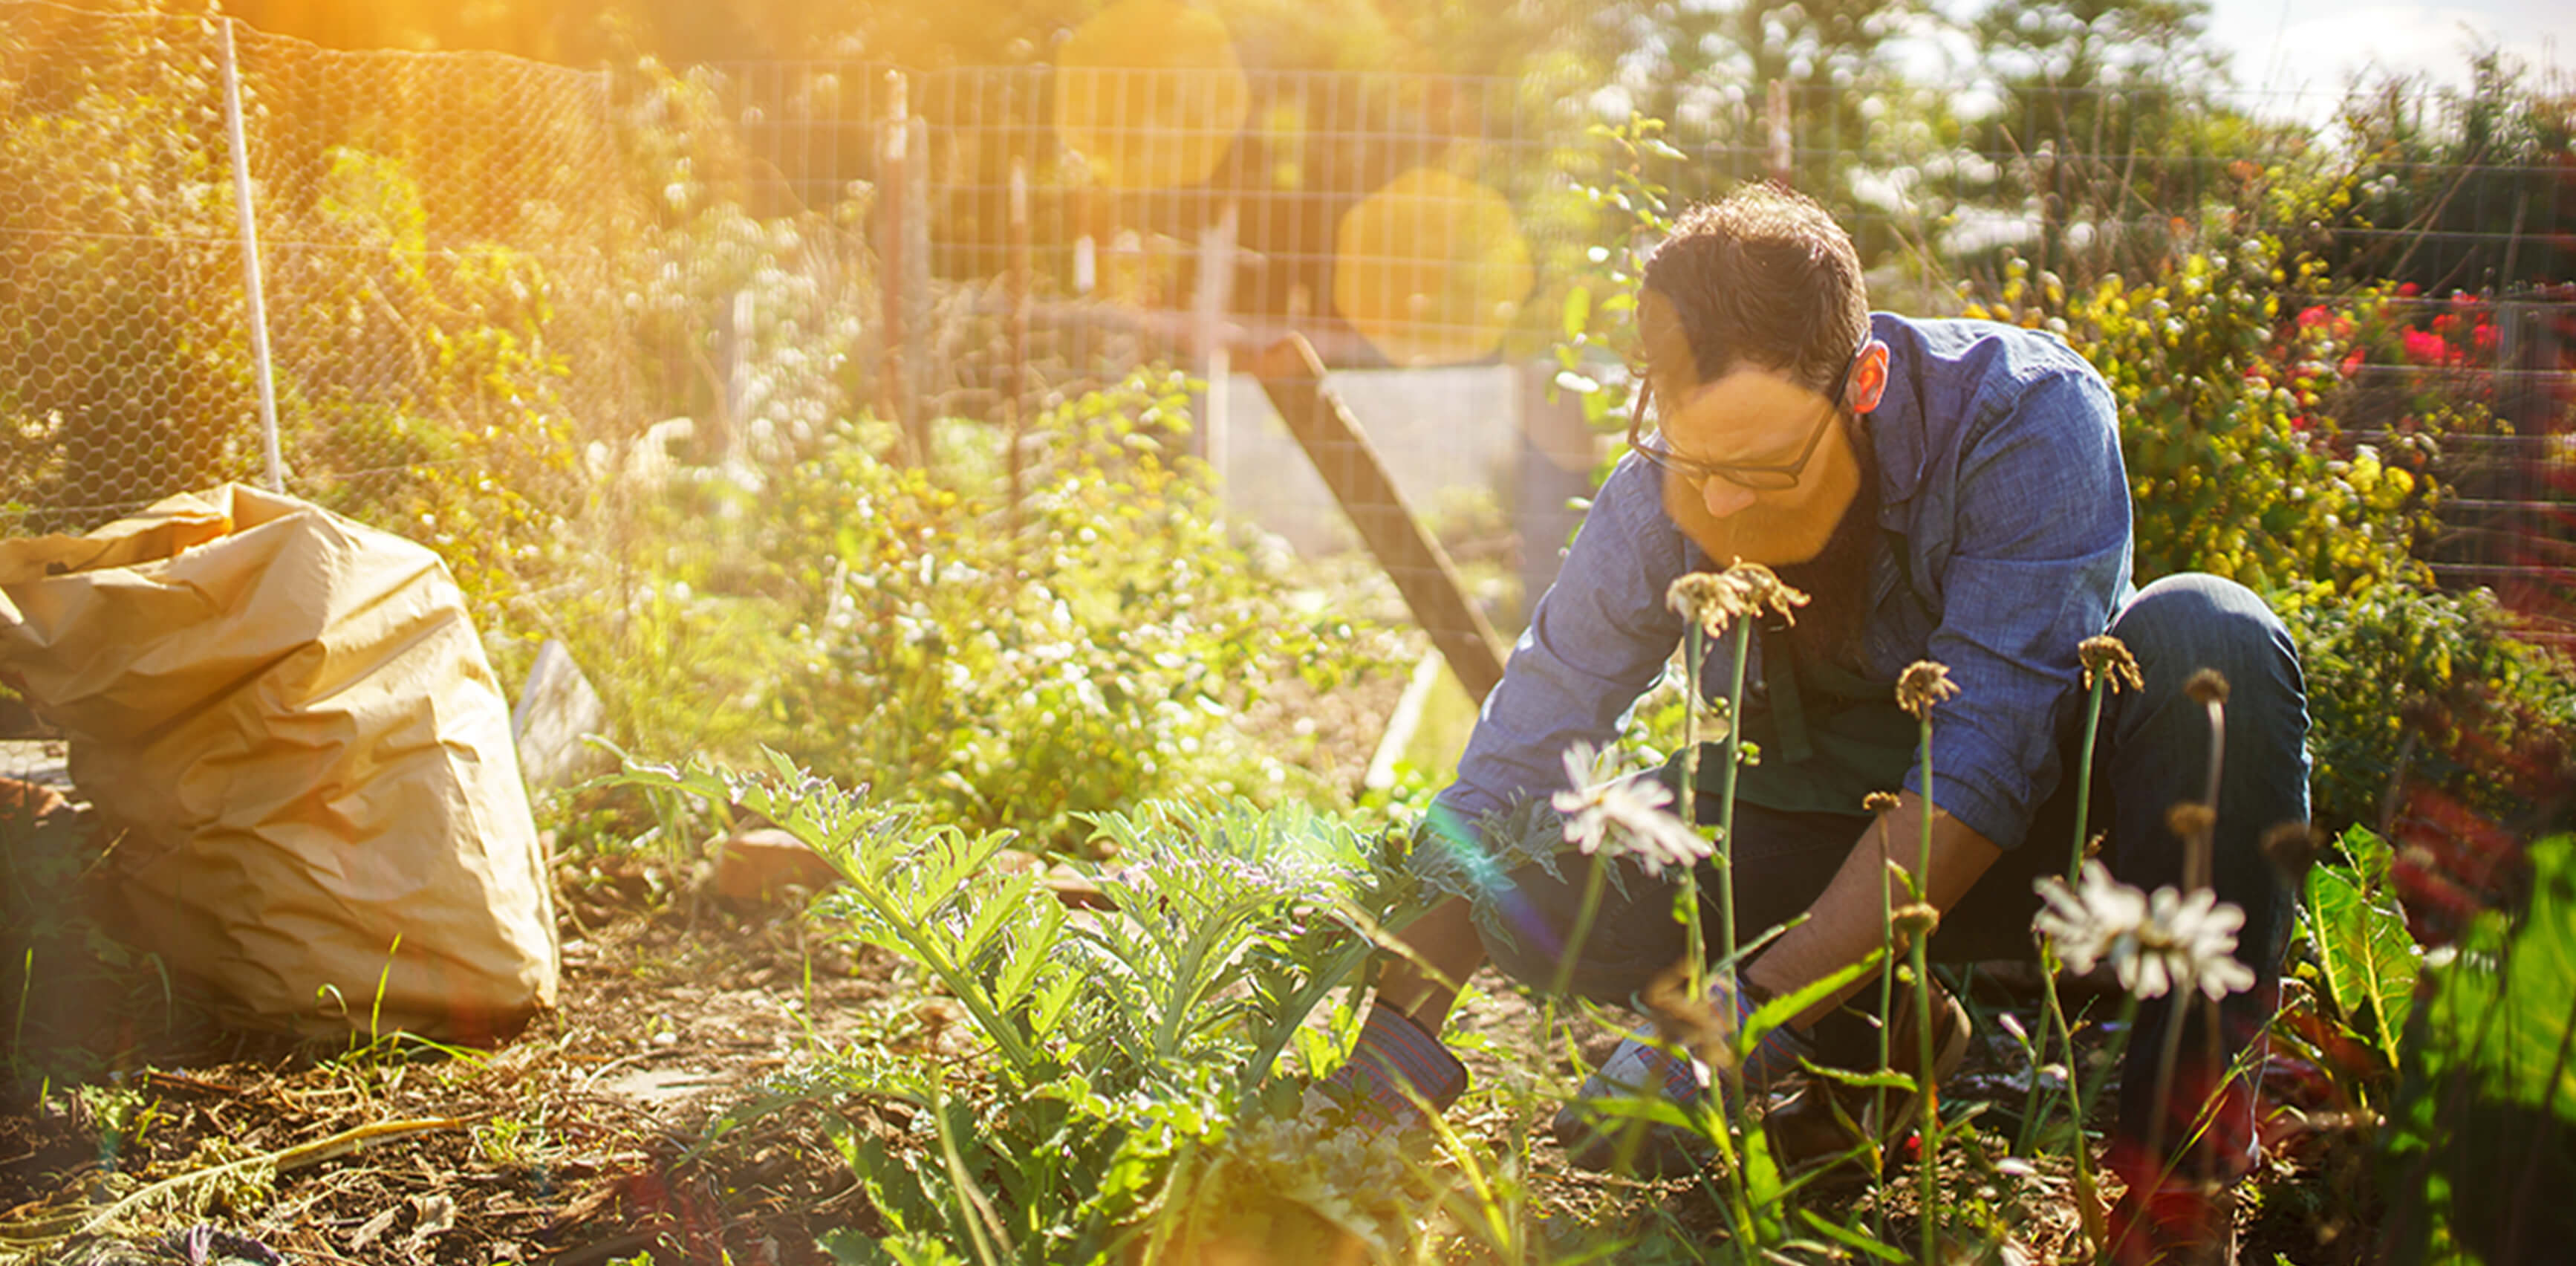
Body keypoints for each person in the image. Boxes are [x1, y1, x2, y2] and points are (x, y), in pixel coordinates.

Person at [1312, 186, 2308, 1264]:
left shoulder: (2027, 418)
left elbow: (1984, 762)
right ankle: (1877, 1044)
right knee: (1547, 873)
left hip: (2049, 854)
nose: (1723, 506)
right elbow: (1527, 741)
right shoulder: (1663, 484)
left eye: (1765, 463)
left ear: (1864, 381)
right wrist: (1392, 1045)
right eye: (1694, 459)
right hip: (1811, 831)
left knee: (2218, 639)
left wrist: (1747, 1014)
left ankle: (2176, 1186)